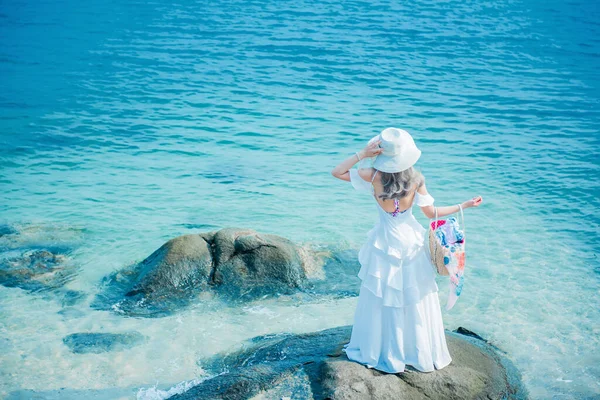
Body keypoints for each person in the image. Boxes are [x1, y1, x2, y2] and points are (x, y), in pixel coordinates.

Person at [330, 127, 483, 374]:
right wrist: (463, 205)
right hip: (411, 243)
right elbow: (431, 214)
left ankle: (383, 348)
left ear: (382, 154)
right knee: (415, 297)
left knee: (382, 298)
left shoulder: (372, 175)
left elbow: (337, 172)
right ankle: (415, 349)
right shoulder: (416, 180)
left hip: (384, 243)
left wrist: (363, 154)